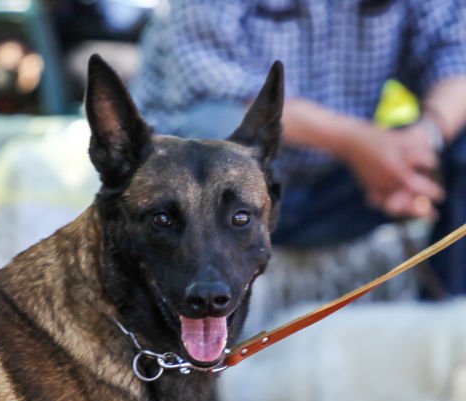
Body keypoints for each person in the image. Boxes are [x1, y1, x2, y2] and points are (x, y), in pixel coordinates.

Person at [130, 0, 466, 295]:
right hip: (203, 191)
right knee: (211, 132)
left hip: (334, 185)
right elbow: (206, 81)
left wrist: (422, 143)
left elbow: (455, 52)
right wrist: (356, 143)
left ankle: (449, 323)